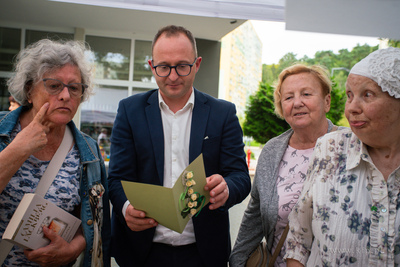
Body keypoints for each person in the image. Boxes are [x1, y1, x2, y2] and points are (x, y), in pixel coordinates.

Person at [108, 25, 251, 267]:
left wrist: (227, 188)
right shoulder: (130, 110)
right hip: (141, 252)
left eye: (182, 66)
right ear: (152, 65)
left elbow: (240, 177)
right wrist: (124, 208)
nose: (173, 76)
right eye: (164, 67)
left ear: (197, 64)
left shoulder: (222, 113)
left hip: (203, 253)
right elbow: (116, 179)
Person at [285, 47, 400, 266]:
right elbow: (299, 238)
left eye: (368, 95)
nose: (352, 108)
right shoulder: (330, 149)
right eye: (349, 96)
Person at [0, 39, 111, 267]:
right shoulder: (4, 131)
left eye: (74, 87)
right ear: (29, 90)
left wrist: (72, 249)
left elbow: (94, 220)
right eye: (54, 86)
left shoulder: (88, 151)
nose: (65, 96)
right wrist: (19, 149)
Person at [230, 64, 342, 267]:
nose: (297, 103)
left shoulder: (350, 146)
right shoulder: (273, 150)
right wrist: (237, 260)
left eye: (306, 94)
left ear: (326, 101)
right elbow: (255, 213)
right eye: (289, 97)